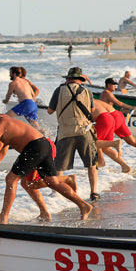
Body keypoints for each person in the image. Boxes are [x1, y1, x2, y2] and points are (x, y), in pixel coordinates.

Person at [0, 103, 91, 224]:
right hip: (42, 145)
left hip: (35, 146)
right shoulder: (3, 127)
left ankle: (3, 217)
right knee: (50, 182)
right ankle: (83, 205)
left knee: (11, 179)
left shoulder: (0, 122)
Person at [47, 67, 106, 201]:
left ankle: (55, 193)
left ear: (67, 79)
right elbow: (91, 110)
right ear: (80, 80)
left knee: (59, 164)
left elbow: (50, 111)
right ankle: (94, 192)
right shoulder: (87, 91)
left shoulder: (59, 90)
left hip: (65, 131)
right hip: (84, 130)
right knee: (91, 163)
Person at [92, 97, 136, 172]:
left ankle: (106, 162)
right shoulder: (96, 100)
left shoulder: (84, 102)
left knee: (101, 144)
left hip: (108, 118)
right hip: (118, 115)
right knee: (132, 140)